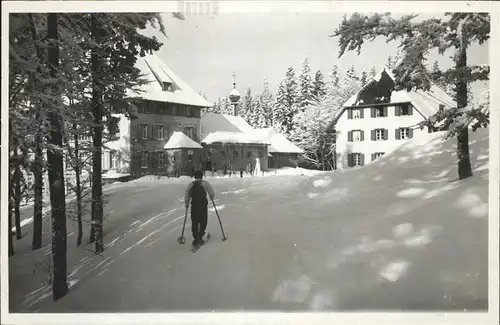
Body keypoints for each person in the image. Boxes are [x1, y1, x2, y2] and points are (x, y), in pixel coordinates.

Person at [184, 170, 216, 246]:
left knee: (194, 221)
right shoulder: (205, 183)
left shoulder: (191, 185)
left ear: (195, 176)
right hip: (203, 205)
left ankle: (195, 238)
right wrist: (211, 198)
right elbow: (212, 192)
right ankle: (200, 236)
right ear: (201, 176)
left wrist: (186, 203)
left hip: (194, 205)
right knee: (203, 220)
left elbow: (187, 195)